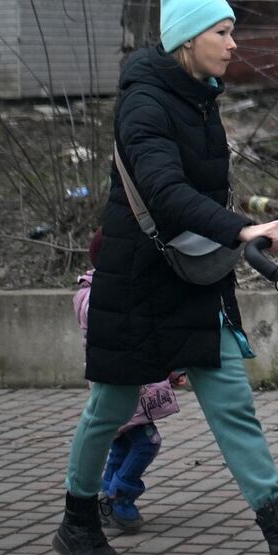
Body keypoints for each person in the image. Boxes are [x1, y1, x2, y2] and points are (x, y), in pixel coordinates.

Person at [52, 0, 278, 555]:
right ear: (188, 40)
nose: (233, 44)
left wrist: (236, 223)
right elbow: (164, 191)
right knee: (111, 407)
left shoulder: (198, 96)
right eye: (222, 32)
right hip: (137, 281)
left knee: (232, 401)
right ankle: (77, 521)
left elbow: (196, 188)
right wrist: (238, 228)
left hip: (192, 278)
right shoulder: (145, 103)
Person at [71, 229, 182, 535]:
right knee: (147, 442)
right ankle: (121, 493)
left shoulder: (114, 291)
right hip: (119, 380)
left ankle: (108, 493)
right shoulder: (94, 296)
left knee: (122, 443)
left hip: (131, 379)